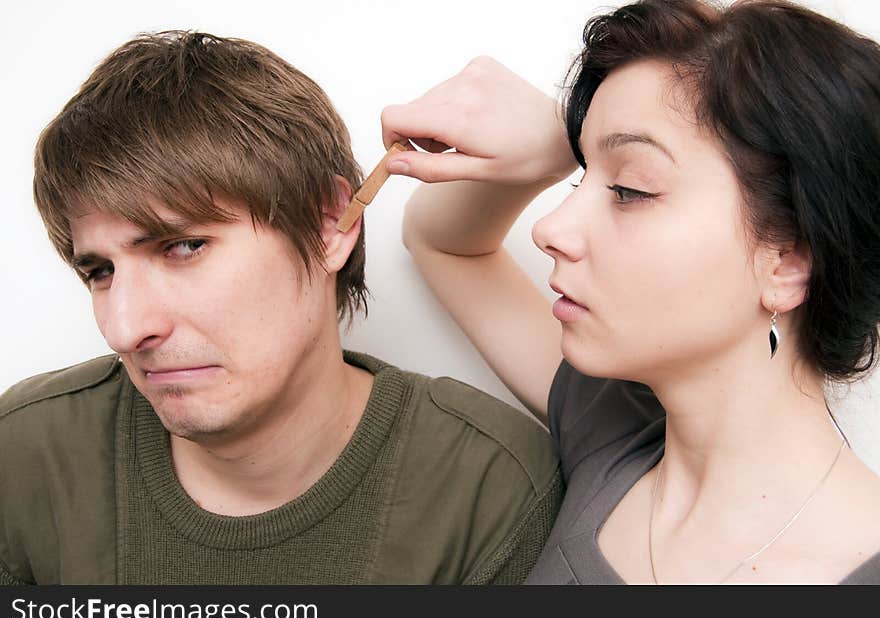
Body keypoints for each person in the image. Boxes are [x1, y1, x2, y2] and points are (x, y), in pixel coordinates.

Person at [0, 31, 563, 585]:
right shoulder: (24, 452)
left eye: (183, 247)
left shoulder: (488, 487)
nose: (125, 328)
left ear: (327, 226)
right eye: (100, 272)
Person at [382, 0, 880, 583]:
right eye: (580, 178)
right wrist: (566, 138)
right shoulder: (614, 432)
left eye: (629, 189)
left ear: (788, 261)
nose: (550, 229)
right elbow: (441, 241)